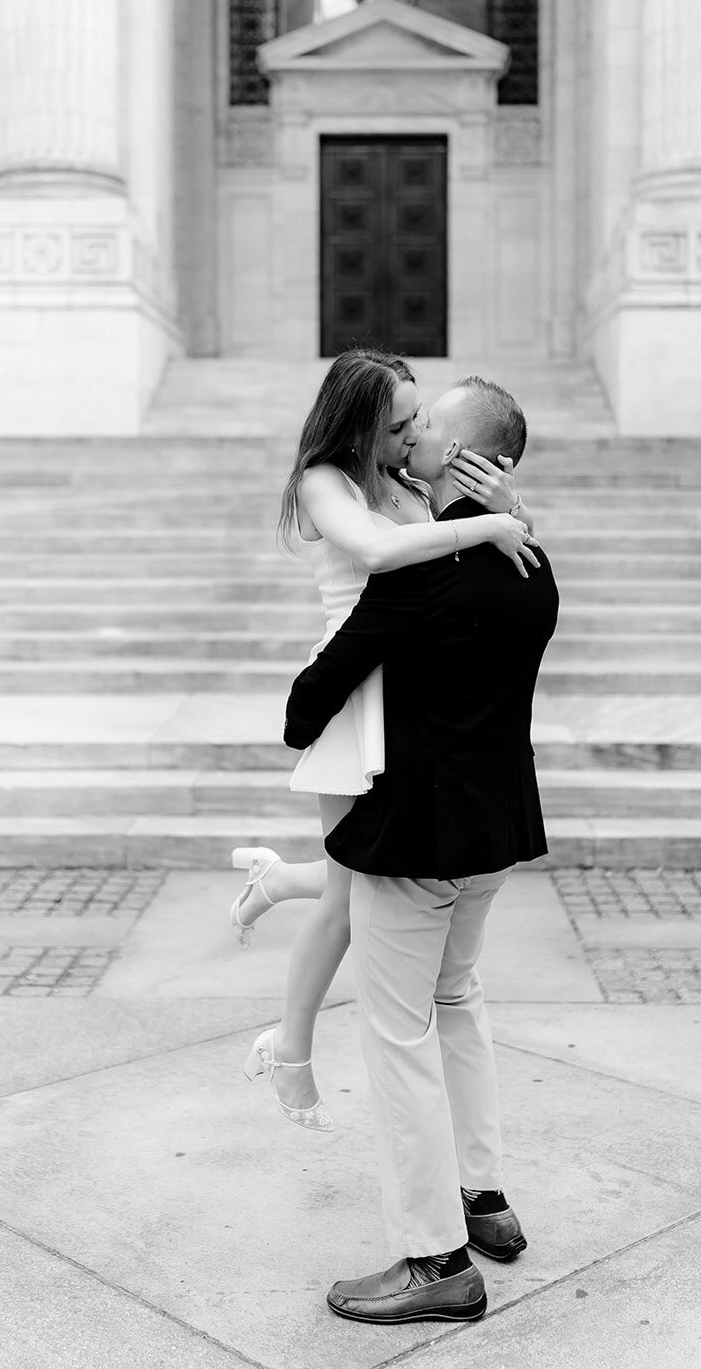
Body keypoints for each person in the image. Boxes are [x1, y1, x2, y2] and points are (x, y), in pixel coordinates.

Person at [283, 375, 559, 1323]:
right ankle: (485, 1202)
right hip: (492, 835)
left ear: (474, 458)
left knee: (397, 1037)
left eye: (428, 425)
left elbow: (307, 703)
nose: (411, 437)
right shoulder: (534, 564)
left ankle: (434, 1260)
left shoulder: (420, 573)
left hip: (418, 841)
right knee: (457, 1002)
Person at [236, 349, 537, 1131]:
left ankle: (272, 882)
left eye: (418, 420)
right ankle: (291, 1048)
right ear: (360, 422)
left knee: (350, 879)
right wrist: (500, 520)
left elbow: (450, 575)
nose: (412, 435)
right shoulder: (322, 482)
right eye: (399, 423)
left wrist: (496, 508)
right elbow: (377, 557)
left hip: (402, 695)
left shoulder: (405, 485)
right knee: (345, 897)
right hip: (349, 695)